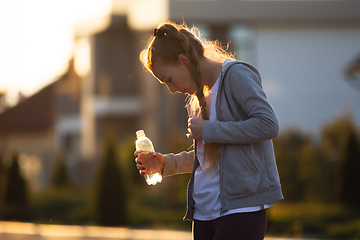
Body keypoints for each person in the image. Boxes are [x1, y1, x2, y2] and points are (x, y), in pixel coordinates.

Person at [135, 22, 283, 240]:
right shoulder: (198, 98)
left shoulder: (235, 75)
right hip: (203, 214)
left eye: (168, 79)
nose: (172, 89)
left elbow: (268, 124)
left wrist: (210, 130)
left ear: (184, 61)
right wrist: (165, 163)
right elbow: (214, 157)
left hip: (240, 210)